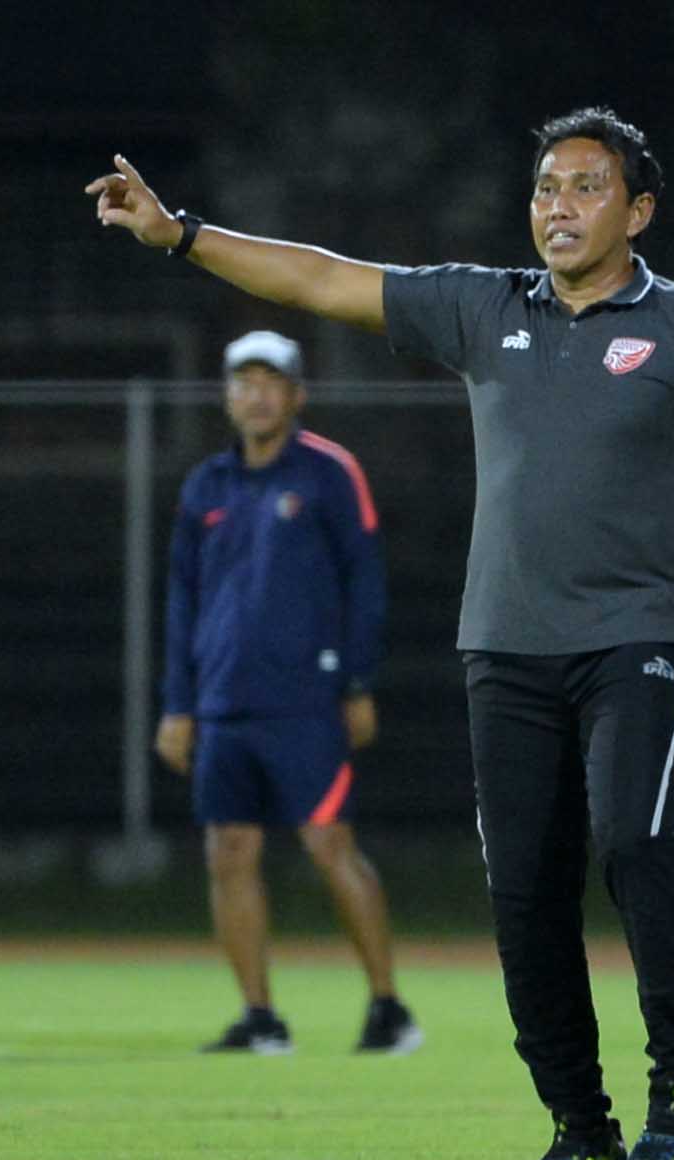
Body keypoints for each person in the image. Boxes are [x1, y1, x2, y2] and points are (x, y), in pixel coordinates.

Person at [88, 107, 674, 1160]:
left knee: (630, 838)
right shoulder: (487, 307)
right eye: (544, 187)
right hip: (505, 646)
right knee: (522, 886)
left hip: (641, 634)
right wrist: (181, 235)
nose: (558, 206)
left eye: (584, 187)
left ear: (637, 211)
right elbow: (321, 278)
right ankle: (578, 1124)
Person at [157, 329, 421, 1057]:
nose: (256, 396)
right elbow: (182, 599)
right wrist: (177, 703)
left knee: (329, 843)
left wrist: (356, 681)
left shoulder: (329, 472)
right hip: (223, 700)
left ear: (297, 395)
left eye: (270, 382)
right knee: (228, 851)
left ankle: (387, 1007)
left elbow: (364, 582)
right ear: (226, 396)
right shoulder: (205, 485)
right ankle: (260, 1017)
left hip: (306, 699)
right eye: (243, 382)